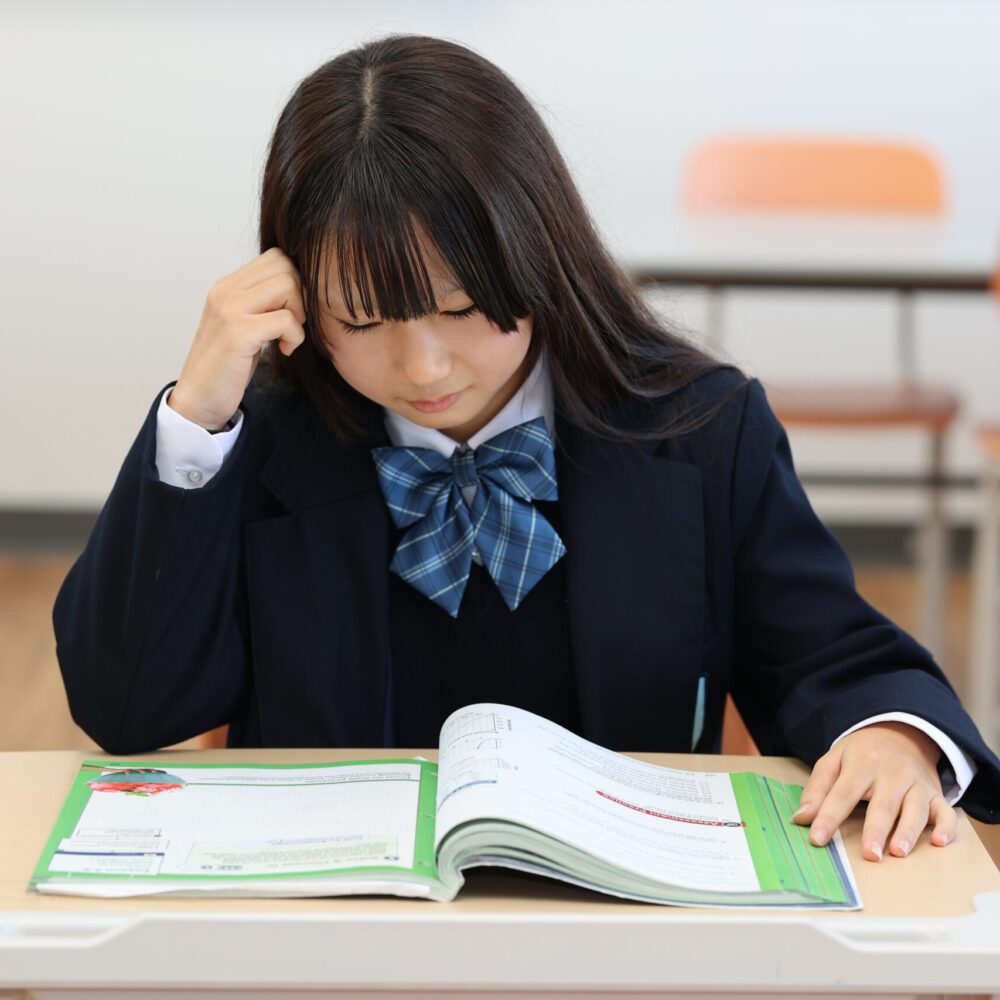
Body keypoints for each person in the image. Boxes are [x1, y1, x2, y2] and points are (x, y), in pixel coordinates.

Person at [54, 34, 998, 868]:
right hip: (339, 931)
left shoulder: (700, 429)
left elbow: (831, 653)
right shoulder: (261, 440)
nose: (423, 364)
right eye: (364, 319)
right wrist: (196, 416)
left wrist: (891, 734)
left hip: (627, 933)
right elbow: (129, 707)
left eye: (461, 308)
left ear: (537, 252)